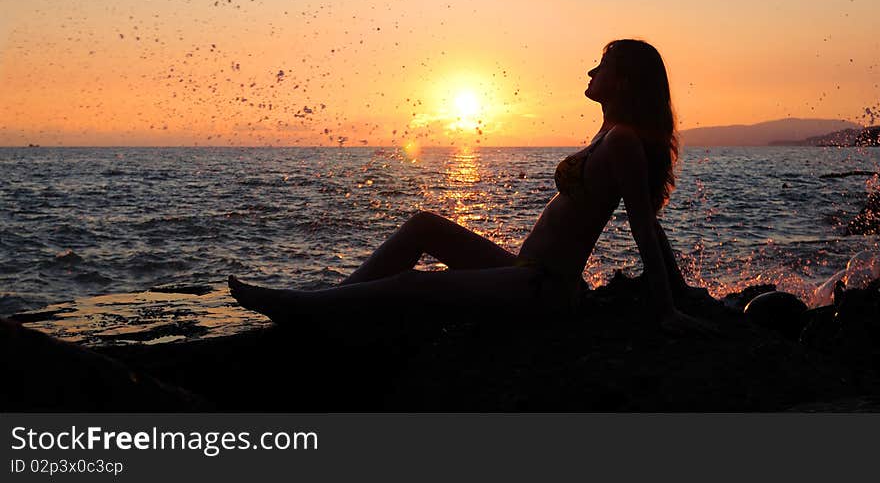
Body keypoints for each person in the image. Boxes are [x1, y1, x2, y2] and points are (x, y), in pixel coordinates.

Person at [229, 39, 713, 335]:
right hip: (526, 271)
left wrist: (668, 309)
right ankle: (325, 305)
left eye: (601, 65)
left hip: (546, 288)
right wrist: (681, 290)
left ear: (624, 81)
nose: (590, 72)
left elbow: (645, 228)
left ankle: (309, 310)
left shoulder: (624, 141)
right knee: (423, 226)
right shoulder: (609, 134)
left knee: (412, 286)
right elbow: (650, 225)